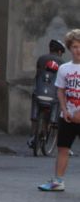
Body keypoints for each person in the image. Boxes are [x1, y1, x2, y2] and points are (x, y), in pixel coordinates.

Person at [39, 29, 80, 192]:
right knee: (63, 148)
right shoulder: (65, 69)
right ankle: (58, 181)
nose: (78, 50)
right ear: (70, 48)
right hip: (68, 116)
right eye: (75, 46)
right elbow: (61, 91)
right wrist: (64, 110)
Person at [29, 39, 67, 149]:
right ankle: (52, 125)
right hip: (53, 97)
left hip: (39, 93)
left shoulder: (41, 59)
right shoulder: (63, 63)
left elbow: (38, 75)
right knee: (57, 104)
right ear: (60, 52)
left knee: (35, 112)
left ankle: (32, 136)